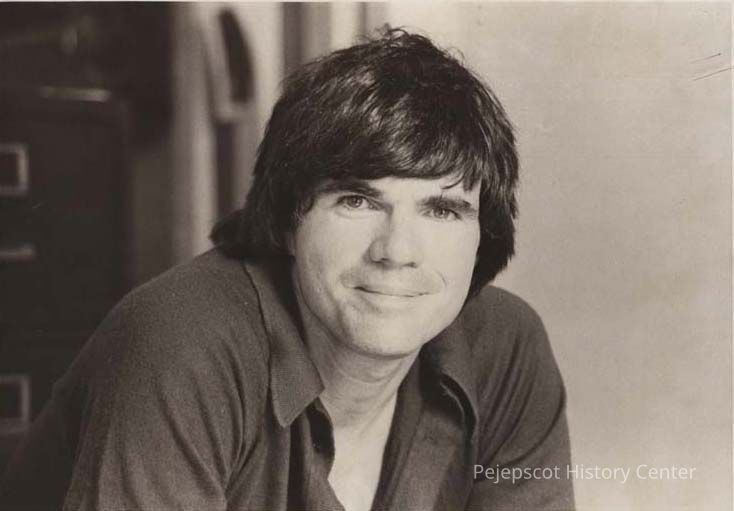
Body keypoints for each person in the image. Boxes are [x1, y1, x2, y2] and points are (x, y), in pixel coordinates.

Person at [0, 28, 574, 511]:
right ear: (288, 219)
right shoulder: (181, 342)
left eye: (442, 209)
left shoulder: (505, 348)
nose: (397, 250)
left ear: (482, 236)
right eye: (357, 200)